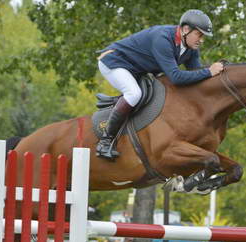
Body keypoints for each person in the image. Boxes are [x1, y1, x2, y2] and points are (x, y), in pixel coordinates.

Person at [96, 9, 224, 160]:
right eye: (199, 34)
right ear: (185, 29)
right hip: (114, 62)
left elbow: (196, 74)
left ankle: (120, 105)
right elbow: (176, 77)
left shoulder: (190, 48)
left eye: (203, 36)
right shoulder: (162, 38)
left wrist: (220, 76)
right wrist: (209, 72)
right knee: (134, 93)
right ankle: (105, 141)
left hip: (136, 69)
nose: (201, 40)